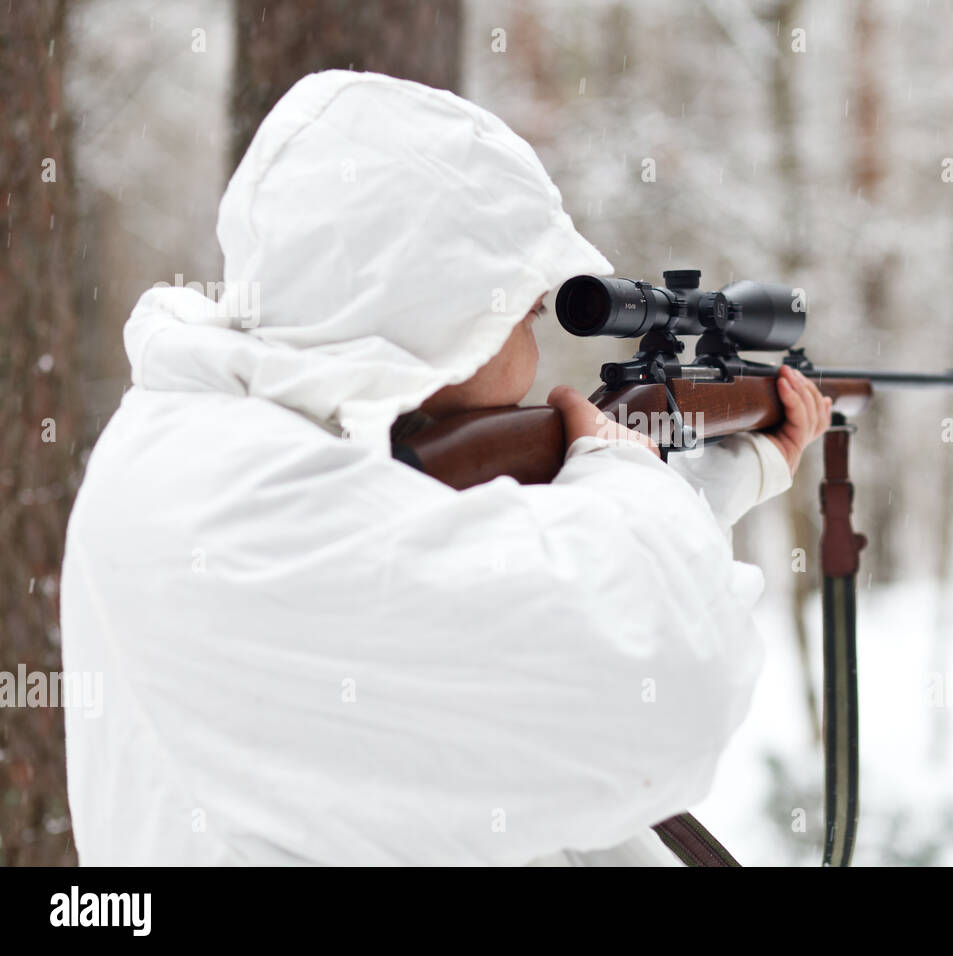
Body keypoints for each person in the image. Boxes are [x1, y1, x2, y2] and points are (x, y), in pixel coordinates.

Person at [61, 70, 831, 866]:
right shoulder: (247, 503)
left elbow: (494, 654)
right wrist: (623, 474)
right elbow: (667, 692)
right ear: (444, 307)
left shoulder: (205, 443)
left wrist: (712, 484)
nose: (533, 363)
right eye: (524, 315)